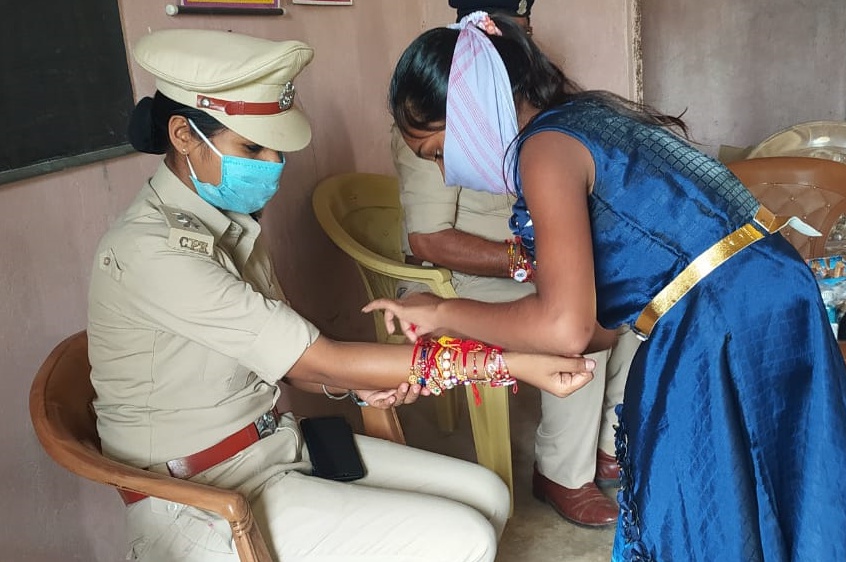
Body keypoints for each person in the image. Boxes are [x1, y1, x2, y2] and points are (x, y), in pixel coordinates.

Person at [369, 12, 846, 562]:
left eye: (439, 151)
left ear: (468, 111)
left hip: (720, 316)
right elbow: (598, 329)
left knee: (701, 498)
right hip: (767, 293)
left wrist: (441, 311)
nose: (447, 173)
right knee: (789, 472)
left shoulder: (545, 151)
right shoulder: (586, 118)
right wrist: (469, 341)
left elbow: (565, 326)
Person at [87, 28, 595, 562]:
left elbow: (290, 361)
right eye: (253, 148)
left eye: (275, 149)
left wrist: (358, 387)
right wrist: (510, 362)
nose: (273, 166)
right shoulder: (154, 252)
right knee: (464, 537)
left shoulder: (230, 226)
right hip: (196, 497)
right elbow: (317, 359)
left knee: (489, 496)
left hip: (272, 447)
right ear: (183, 135)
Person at [391, 0, 634, 528]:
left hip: (543, 265)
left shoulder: (545, 116)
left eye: (519, 34)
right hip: (476, 279)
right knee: (577, 331)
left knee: (633, 310)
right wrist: (527, 262)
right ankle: (562, 474)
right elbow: (429, 240)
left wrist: (568, 263)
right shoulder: (432, 119)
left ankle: (611, 442)